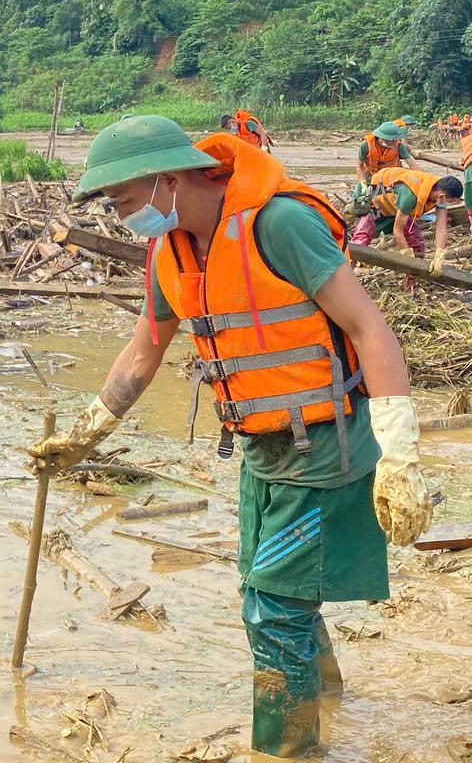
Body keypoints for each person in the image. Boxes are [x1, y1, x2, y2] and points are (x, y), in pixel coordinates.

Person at [27, 115, 435, 758]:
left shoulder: (279, 225)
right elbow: (142, 355)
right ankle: (328, 700)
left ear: (167, 178)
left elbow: (368, 327)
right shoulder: (172, 252)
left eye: (125, 201)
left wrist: (401, 450)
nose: (122, 217)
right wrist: (85, 435)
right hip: (260, 447)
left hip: (327, 444)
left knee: (273, 611)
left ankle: (288, 751)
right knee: (265, 590)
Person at [349, 166, 463, 276]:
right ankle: (345, 272)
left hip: (397, 211)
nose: (449, 203)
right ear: (442, 196)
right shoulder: (409, 195)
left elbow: (441, 227)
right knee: (360, 241)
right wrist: (407, 259)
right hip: (374, 208)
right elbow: (398, 231)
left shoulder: (438, 193)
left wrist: (439, 254)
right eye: (451, 201)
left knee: (416, 241)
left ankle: (414, 280)